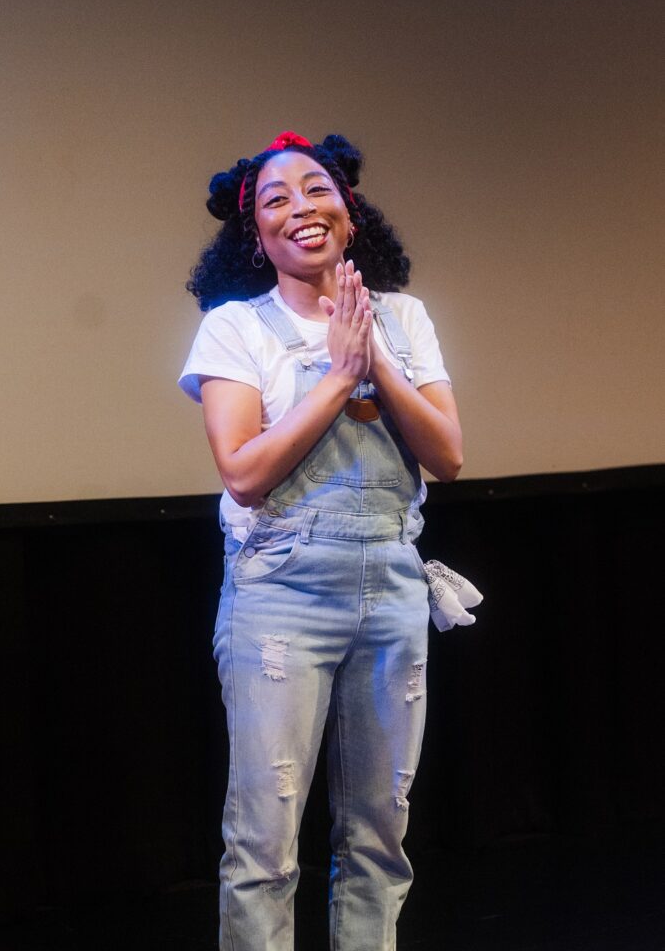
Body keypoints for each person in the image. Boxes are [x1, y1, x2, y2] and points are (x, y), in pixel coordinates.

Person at [179, 131, 463, 951]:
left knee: (379, 836)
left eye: (316, 190)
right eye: (275, 201)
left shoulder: (403, 317)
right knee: (264, 844)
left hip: (393, 588)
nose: (299, 208)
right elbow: (243, 472)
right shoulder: (237, 329)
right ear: (255, 235)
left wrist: (370, 345)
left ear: (348, 209)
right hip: (281, 594)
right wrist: (337, 378)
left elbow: (445, 455)